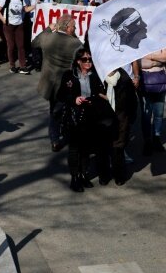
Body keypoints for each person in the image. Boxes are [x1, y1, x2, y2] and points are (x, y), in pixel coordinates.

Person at [57, 48, 120, 191]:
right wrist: (74, 99)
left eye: (90, 59)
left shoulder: (95, 75)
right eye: (84, 60)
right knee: (74, 148)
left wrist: (97, 97)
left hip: (91, 116)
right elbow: (60, 95)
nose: (88, 62)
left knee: (85, 147)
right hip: (74, 116)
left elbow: (100, 93)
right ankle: (75, 177)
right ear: (78, 61)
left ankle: (84, 175)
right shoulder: (69, 75)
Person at [33, 14, 83, 152]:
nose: (75, 28)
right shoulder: (75, 43)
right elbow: (83, 58)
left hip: (49, 83)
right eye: (74, 26)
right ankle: (65, 133)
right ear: (68, 27)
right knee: (64, 110)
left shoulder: (48, 37)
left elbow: (35, 43)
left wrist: (48, 29)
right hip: (67, 85)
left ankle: (55, 139)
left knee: (54, 111)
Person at [140, 47, 166, 154]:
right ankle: (147, 141)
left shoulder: (162, 40)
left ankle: (156, 138)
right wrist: (158, 61)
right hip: (144, 81)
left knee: (159, 113)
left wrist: (150, 57)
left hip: (160, 80)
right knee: (146, 114)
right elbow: (139, 62)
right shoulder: (139, 41)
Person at [0, 0, 29, 74]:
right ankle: (12, 65)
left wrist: (36, 5)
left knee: (21, 46)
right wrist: (3, 20)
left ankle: (23, 66)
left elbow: (26, 9)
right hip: (9, 25)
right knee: (11, 45)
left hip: (19, 24)